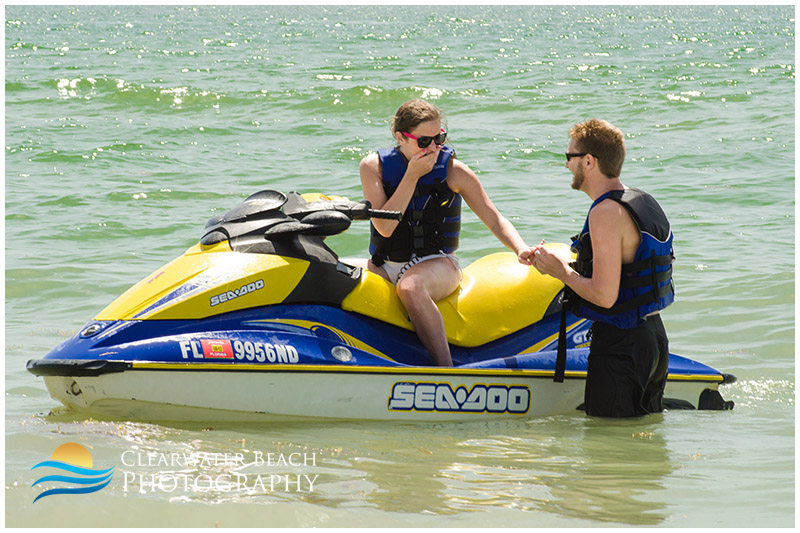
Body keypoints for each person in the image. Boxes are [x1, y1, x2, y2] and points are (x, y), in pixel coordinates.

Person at [360, 99, 532, 367]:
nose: (433, 148)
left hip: (437, 263)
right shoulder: (373, 167)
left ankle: (446, 369)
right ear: (400, 138)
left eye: (439, 138)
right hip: (384, 264)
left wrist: (520, 249)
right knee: (334, 272)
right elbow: (385, 226)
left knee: (411, 286)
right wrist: (412, 176)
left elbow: (494, 217)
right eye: (424, 141)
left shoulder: (453, 171)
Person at [529, 119, 675, 417]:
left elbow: (605, 296)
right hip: (654, 339)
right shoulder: (643, 201)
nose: (566, 165)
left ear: (589, 161)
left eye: (569, 157)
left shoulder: (605, 212)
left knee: (609, 451)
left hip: (622, 345)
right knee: (639, 446)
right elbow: (626, 274)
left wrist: (562, 273)